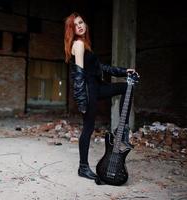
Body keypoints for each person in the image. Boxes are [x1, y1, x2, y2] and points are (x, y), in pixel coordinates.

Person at [64, 12, 138, 180]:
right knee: (88, 128)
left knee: (127, 86)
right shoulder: (79, 45)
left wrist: (123, 71)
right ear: (72, 30)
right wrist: (82, 102)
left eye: (81, 22)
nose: (80, 26)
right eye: (76, 25)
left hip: (98, 87)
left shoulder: (86, 44)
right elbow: (78, 76)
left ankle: (123, 129)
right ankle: (83, 167)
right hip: (89, 91)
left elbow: (102, 67)